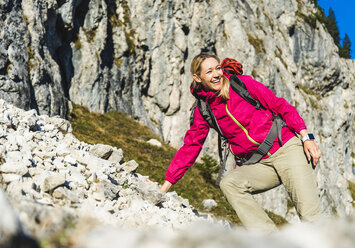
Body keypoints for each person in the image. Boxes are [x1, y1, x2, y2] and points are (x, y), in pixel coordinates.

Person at [159, 53, 322, 232]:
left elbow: (280, 106)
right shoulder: (203, 109)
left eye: (218, 68)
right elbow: (191, 147)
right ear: (197, 77)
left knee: (311, 219)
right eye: (209, 71)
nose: (216, 74)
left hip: (286, 149)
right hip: (260, 165)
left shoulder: (242, 84)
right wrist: (165, 187)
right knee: (229, 183)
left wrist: (307, 138)